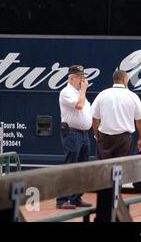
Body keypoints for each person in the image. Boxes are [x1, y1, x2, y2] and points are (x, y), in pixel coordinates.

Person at [56, 65, 93, 209]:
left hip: (83, 134)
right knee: (70, 166)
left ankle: (76, 198)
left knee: (82, 167)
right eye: (80, 78)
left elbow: (86, 109)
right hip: (72, 133)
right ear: (71, 78)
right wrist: (83, 90)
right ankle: (61, 200)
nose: (83, 81)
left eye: (83, 78)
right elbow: (79, 106)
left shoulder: (78, 92)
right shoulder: (66, 92)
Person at [91, 70, 141, 160]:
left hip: (105, 138)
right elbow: (139, 120)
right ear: (125, 80)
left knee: (102, 167)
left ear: (114, 80)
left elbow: (95, 118)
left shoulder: (102, 94)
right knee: (121, 168)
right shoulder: (132, 96)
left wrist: (97, 135)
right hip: (124, 139)